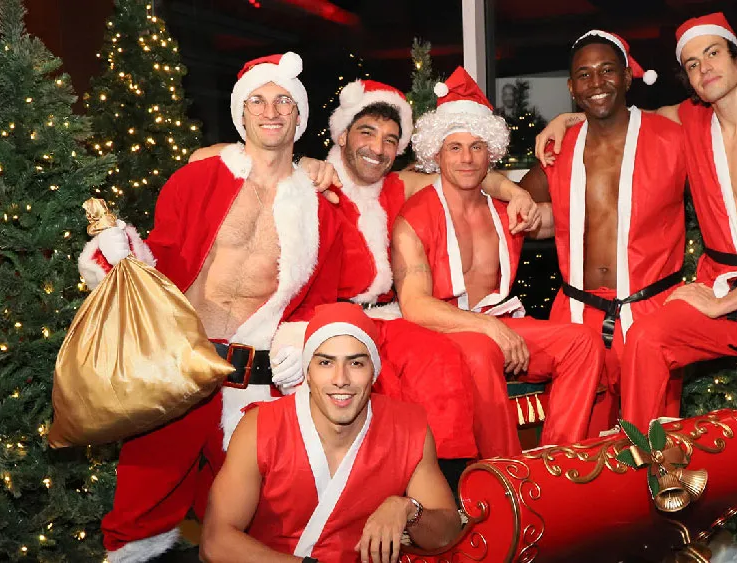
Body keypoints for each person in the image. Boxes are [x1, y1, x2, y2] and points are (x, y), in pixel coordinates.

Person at [537, 13, 737, 562]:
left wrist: (724, 302)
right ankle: (650, 471)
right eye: (692, 63)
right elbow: (615, 111)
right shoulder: (692, 122)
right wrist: (565, 116)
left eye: (714, 55)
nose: (705, 69)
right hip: (720, 282)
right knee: (649, 339)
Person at [190, 78, 540, 475]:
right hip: (328, 317)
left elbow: (467, 174)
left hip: (390, 316)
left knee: (440, 358)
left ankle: (448, 478)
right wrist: (294, 161)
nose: (378, 148)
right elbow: (202, 156)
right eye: (367, 133)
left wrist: (515, 192)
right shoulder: (312, 178)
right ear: (342, 135)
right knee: (381, 380)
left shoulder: (399, 185)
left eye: (390, 140)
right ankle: (382, 479)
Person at [78, 52, 344, 562]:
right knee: (139, 516)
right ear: (241, 113)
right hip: (181, 369)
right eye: (258, 100)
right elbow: (166, 254)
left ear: (299, 115)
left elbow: (321, 298)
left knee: (256, 522)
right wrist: (119, 257)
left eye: (284, 101)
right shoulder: (196, 181)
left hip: (255, 382)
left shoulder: (322, 211)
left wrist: (300, 340)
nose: (271, 111)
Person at [392, 67, 605, 457]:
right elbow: (416, 306)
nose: (467, 158)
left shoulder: (508, 212)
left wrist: (579, 121)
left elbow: (578, 215)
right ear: (436, 153)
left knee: (583, 342)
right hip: (442, 333)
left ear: (490, 153)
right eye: (455, 148)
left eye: (477, 147)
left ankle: (557, 462)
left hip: (497, 324)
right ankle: (507, 476)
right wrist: (489, 328)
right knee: (481, 350)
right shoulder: (414, 218)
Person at [516, 30, 688, 433]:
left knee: (651, 448)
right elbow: (514, 209)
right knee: (576, 452)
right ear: (572, 87)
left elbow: (722, 207)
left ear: (627, 77)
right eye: (585, 74)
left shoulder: (672, 138)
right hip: (577, 318)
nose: (597, 82)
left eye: (607, 70)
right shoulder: (558, 149)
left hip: (651, 313)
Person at [200, 302, 462, 563]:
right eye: (326, 362)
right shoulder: (260, 428)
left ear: (374, 371)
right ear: (308, 372)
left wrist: (407, 509)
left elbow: (446, 535)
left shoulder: (408, 430)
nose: (340, 379)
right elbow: (215, 542)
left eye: (356, 363)